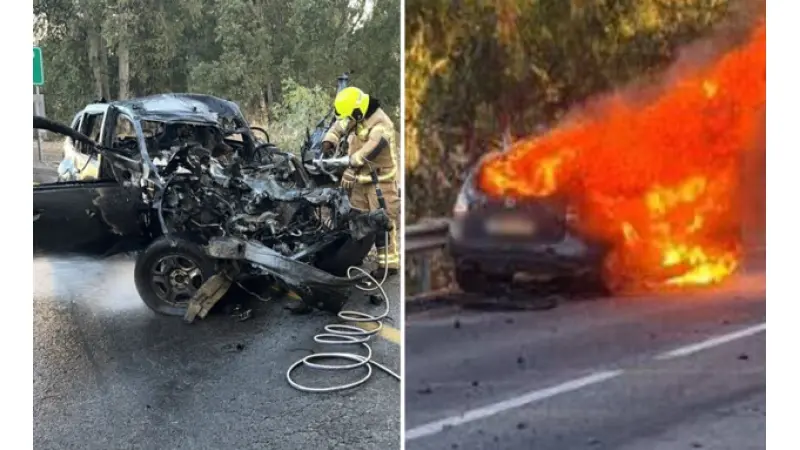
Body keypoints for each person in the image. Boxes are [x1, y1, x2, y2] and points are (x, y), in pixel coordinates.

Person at [322, 86, 400, 279]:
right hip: (360, 182)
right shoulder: (356, 115)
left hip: (380, 182)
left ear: (358, 110)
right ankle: (356, 254)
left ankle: (389, 264)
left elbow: (368, 152)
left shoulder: (382, 124)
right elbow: (339, 125)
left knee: (382, 221)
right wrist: (328, 142)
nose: (348, 120)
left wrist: (350, 168)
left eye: (350, 115)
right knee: (357, 219)